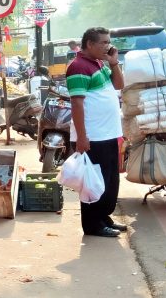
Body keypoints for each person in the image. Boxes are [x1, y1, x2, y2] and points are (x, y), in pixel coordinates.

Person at [66, 27, 126, 238]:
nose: (107, 46)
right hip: (93, 137)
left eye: (109, 42)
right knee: (94, 183)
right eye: (103, 43)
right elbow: (76, 104)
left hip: (108, 134)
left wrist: (114, 62)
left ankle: (103, 218)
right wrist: (82, 137)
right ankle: (93, 225)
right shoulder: (78, 66)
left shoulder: (100, 63)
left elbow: (119, 84)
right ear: (90, 44)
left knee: (110, 182)